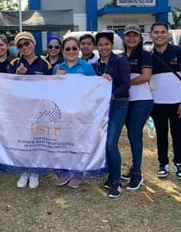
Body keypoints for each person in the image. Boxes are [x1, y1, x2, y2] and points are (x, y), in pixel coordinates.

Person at [9, 31, 52, 188]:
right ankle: (23, 170)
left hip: (39, 110)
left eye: (27, 43)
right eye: (20, 45)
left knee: (36, 140)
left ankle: (34, 171)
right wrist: (18, 76)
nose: (24, 47)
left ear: (33, 44)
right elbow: (6, 87)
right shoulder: (14, 63)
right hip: (20, 110)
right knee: (22, 140)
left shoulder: (45, 64)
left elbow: (51, 88)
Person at [149, 21, 181, 180]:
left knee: (178, 134)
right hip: (157, 103)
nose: (159, 35)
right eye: (156, 32)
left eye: (162, 32)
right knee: (161, 134)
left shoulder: (179, 52)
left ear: (167, 34)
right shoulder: (149, 55)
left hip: (177, 103)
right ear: (151, 35)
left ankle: (179, 163)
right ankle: (163, 163)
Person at [53, 36, 96, 188]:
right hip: (62, 112)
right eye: (67, 49)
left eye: (74, 48)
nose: (71, 51)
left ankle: (77, 173)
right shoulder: (58, 68)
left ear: (78, 50)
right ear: (63, 51)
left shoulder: (86, 67)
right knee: (62, 142)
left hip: (80, 112)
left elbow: (94, 88)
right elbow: (51, 91)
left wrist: (103, 80)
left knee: (78, 143)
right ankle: (63, 172)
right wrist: (56, 79)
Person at [93, 31, 131, 198]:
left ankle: (117, 182)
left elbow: (126, 84)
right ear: (97, 47)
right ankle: (111, 175)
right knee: (104, 143)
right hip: (102, 108)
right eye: (100, 45)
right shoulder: (96, 65)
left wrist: (111, 91)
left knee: (111, 143)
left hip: (118, 104)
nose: (104, 48)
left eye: (106, 44)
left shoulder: (120, 61)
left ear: (112, 45)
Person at [120, 24, 153, 191]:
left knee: (134, 133)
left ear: (140, 38)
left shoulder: (145, 55)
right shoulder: (119, 57)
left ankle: (138, 172)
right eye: (128, 35)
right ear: (123, 38)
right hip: (125, 100)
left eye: (135, 35)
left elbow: (146, 76)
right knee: (131, 134)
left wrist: (125, 83)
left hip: (142, 100)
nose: (131, 38)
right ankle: (133, 168)